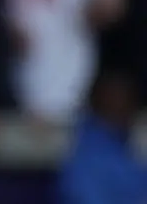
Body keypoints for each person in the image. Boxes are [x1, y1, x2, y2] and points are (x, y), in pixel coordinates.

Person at [58, 69, 147, 204]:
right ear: (98, 103)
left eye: (128, 100)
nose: (124, 108)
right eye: (115, 99)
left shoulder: (123, 146)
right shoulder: (87, 155)